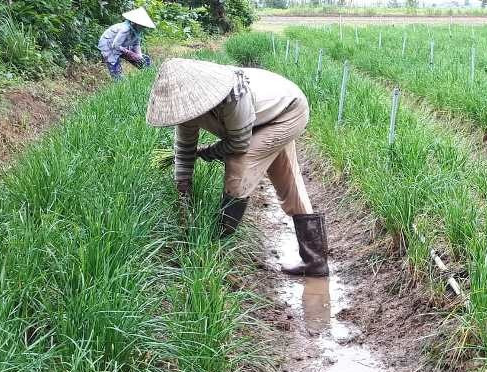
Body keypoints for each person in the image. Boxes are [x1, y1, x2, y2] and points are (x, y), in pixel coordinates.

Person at [145, 58, 328, 277]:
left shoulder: (232, 95)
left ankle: (220, 241)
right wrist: (183, 188)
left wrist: (207, 152)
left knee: (240, 164)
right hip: (263, 115)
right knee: (286, 180)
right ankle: (316, 262)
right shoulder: (186, 109)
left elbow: (238, 144)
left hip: (287, 112)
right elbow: (184, 150)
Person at [97, 8, 156, 80]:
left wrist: (139, 56)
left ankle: (150, 78)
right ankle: (119, 83)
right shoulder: (125, 29)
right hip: (109, 45)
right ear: (135, 23)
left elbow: (136, 44)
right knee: (116, 71)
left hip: (122, 46)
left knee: (145, 61)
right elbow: (115, 46)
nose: (143, 27)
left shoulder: (137, 31)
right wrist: (130, 53)